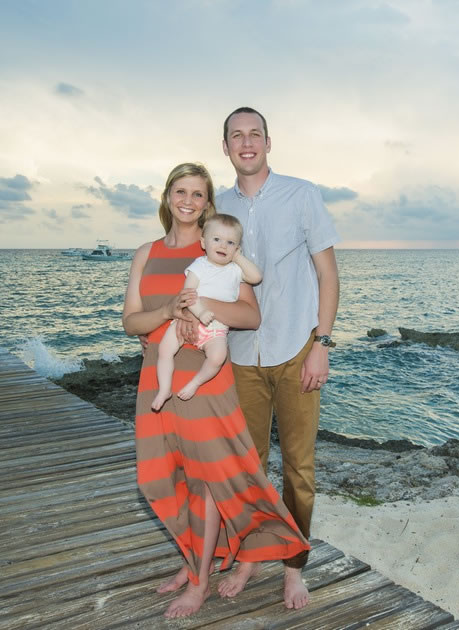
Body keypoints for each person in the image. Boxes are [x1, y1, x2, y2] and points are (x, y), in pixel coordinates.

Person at [122, 162, 309, 619]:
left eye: (198, 194)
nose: (188, 201)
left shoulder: (222, 257)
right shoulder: (146, 253)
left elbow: (250, 317)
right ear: (168, 197)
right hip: (158, 374)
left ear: (208, 205)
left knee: (205, 483)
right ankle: (192, 562)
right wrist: (169, 310)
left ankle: (201, 580)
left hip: (204, 380)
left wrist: (204, 306)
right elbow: (130, 323)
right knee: (162, 477)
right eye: (180, 191)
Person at [215, 107, 341, 610]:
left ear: (269, 141)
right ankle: (250, 556)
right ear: (225, 147)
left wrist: (322, 345)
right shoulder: (217, 206)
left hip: (296, 350)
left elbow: (328, 276)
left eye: (254, 134)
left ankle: (293, 566)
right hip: (240, 355)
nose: (246, 143)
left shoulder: (303, 194)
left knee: (298, 470)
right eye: (236, 136)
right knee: (248, 466)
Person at [150, 214, 262, 411]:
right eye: (216, 239)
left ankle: (196, 382)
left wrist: (237, 257)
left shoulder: (235, 270)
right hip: (189, 319)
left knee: (218, 357)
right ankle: (164, 388)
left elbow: (256, 276)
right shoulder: (199, 266)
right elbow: (188, 294)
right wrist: (200, 313)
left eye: (230, 243)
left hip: (216, 328)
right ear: (204, 242)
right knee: (165, 351)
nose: (223, 246)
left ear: (237, 248)